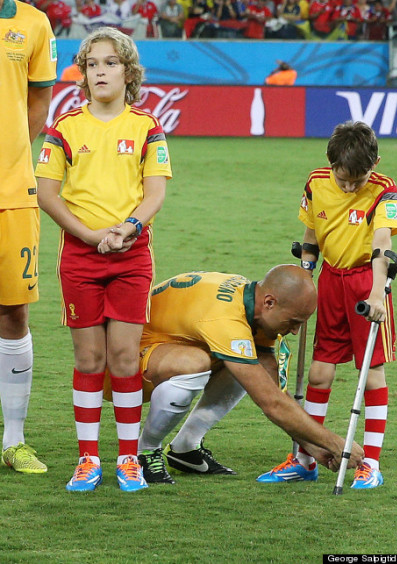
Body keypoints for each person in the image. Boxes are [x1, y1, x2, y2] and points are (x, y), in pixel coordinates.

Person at [35, 27, 171, 492]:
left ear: (128, 72)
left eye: (110, 63)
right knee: (90, 358)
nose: (100, 71)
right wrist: (93, 236)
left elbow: (155, 192)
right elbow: (47, 194)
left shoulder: (147, 126)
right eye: (92, 64)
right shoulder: (65, 127)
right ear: (83, 73)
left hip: (132, 257)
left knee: (125, 358)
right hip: (80, 256)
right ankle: (89, 458)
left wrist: (128, 229)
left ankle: (128, 459)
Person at [257, 121, 397, 488]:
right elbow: (310, 238)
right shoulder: (316, 182)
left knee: (371, 374)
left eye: (359, 179)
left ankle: (370, 463)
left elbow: (382, 243)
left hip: (366, 282)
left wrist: (375, 292)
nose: (351, 186)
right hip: (329, 282)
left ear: (376, 163)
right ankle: (305, 458)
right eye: (344, 179)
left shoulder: (384, 190)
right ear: (330, 162)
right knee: (319, 373)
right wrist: (305, 277)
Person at [117, 266, 364, 484]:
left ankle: (185, 449)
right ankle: (145, 451)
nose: (296, 331)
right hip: (127, 361)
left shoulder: (254, 304)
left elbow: (273, 389)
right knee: (198, 363)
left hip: (170, 346)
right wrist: (335, 443)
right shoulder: (227, 318)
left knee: (246, 365)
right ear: (269, 303)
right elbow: (271, 402)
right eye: (294, 322)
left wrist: (311, 445)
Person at [0, 0, 56, 474]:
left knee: (12, 309)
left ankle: (14, 440)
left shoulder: (32, 21)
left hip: (11, 192)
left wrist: (16, 152)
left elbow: (39, 97)